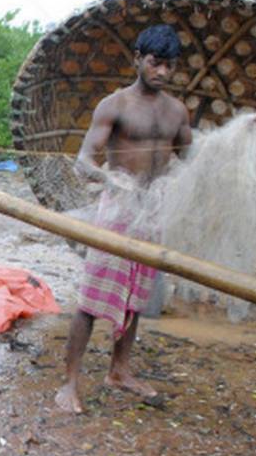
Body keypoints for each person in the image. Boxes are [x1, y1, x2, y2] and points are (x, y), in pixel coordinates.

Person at [54, 24, 193, 414]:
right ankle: (69, 383)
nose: (161, 72)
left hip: (153, 212)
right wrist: (111, 178)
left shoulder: (177, 111)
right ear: (137, 59)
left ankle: (119, 370)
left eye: (168, 66)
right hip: (117, 210)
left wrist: (240, 137)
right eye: (154, 63)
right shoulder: (114, 105)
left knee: (136, 296)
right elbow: (84, 161)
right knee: (92, 298)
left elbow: (192, 158)